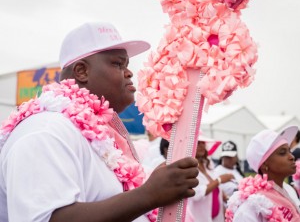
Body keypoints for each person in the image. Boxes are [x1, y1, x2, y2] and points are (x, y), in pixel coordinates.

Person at [0, 22, 199, 222]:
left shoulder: (96, 135)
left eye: (127, 65)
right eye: (118, 64)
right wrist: (148, 195)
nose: (129, 73)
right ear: (81, 71)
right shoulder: (45, 131)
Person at [226, 126, 300, 222]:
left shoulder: (289, 190)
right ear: (264, 163)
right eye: (282, 152)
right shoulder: (253, 205)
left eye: (289, 151)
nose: (292, 157)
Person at [186, 132, 234, 222]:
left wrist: (229, 199)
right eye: (198, 143)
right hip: (198, 218)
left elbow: (215, 189)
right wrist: (219, 180)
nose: (201, 146)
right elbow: (195, 194)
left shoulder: (208, 164)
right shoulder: (188, 168)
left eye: (203, 143)